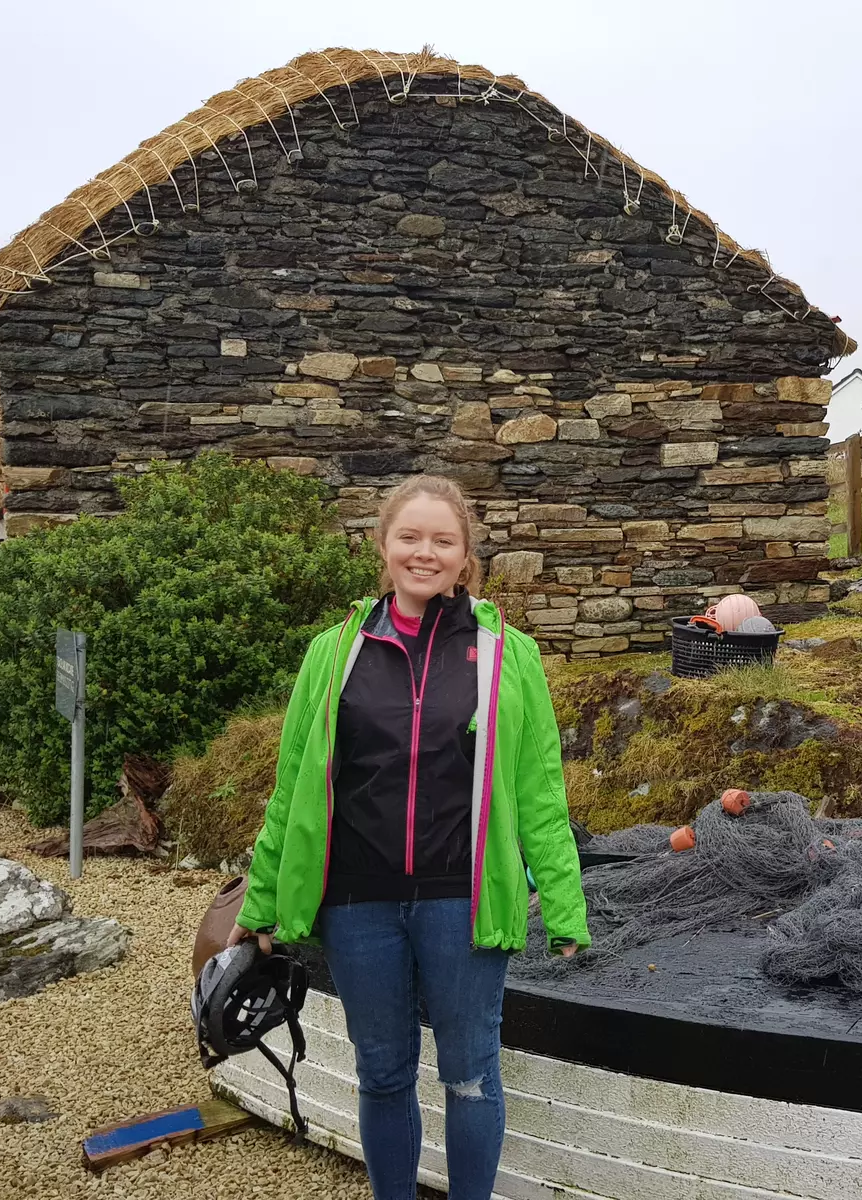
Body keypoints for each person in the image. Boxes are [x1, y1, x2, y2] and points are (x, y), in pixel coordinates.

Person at [227, 474, 590, 1200]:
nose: (425, 553)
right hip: (357, 902)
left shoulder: (506, 654)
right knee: (384, 1073)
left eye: (442, 541)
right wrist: (261, 900)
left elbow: (540, 790)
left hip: (463, 898)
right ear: (383, 546)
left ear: (465, 557)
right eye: (410, 537)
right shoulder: (333, 653)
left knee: (469, 1075)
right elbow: (293, 787)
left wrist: (565, 899)